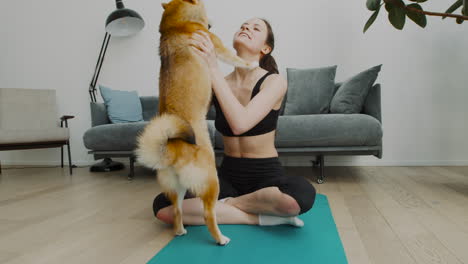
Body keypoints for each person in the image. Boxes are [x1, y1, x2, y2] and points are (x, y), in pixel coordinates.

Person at [153, 17, 316, 227]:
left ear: (265, 48)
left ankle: (223, 205)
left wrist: (212, 68)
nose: (247, 28)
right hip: (227, 175)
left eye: (255, 28)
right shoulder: (217, 81)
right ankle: (259, 217)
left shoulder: (274, 81)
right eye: (243, 26)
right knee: (163, 208)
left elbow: (240, 124)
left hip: (265, 175)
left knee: (293, 200)